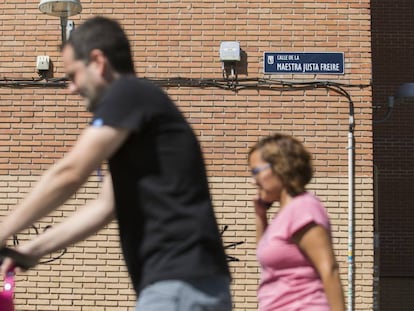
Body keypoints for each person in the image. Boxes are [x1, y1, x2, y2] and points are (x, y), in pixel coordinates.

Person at [0, 16, 232, 311]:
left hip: (179, 285)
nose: (70, 88)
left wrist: (3, 228)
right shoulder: (137, 115)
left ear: (98, 62)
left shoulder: (128, 93)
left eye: (73, 75)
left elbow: (70, 172)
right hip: (184, 284)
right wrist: (33, 250)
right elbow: (105, 206)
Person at [248, 133, 345, 311]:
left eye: (256, 171)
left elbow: (329, 270)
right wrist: (261, 215)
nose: (253, 181)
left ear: (280, 167)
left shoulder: (304, 208)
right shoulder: (285, 214)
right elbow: (266, 254)